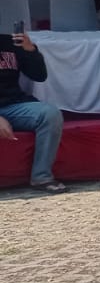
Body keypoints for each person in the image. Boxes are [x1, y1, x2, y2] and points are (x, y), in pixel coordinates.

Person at [0, 25, 65, 192]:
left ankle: (41, 177)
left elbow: (39, 75)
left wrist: (30, 50)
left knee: (49, 114)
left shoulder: (9, 42)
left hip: (13, 105)